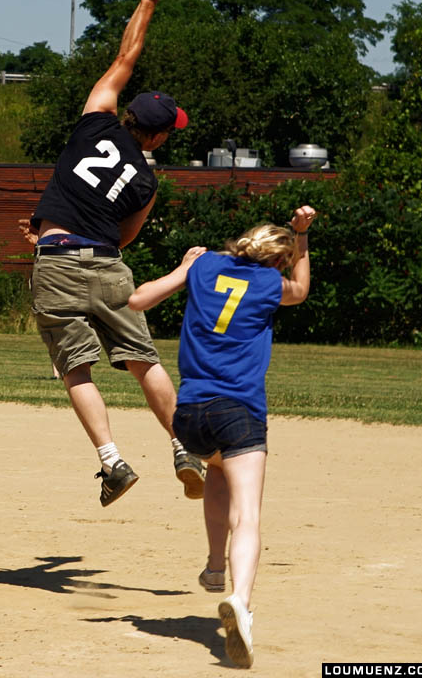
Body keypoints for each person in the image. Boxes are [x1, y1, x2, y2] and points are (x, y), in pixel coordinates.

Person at [25, 0, 204, 508]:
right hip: (108, 268)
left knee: (75, 369)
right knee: (142, 360)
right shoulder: (148, 181)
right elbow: (124, 237)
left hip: (54, 262)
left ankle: (112, 460)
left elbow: (125, 59)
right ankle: (184, 446)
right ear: (155, 136)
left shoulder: (94, 122)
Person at [128, 204, 316, 668]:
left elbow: (136, 300)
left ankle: (215, 567)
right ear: (277, 260)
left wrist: (185, 267)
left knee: (215, 470)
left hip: (189, 414)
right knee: (247, 514)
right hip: (239, 410)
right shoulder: (272, 284)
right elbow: (302, 290)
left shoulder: (206, 263)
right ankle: (241, 603)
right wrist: (303, 238)